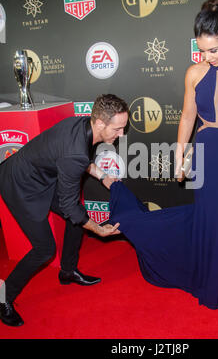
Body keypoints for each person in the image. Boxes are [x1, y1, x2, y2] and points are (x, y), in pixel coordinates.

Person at [107, 0, 218, 309]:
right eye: (201, 50)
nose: (207, 56)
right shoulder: (194, 73)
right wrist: (180, 157)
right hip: (205, 154)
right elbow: (187, 117)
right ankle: (207, 273)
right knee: (208, 221)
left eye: (213, 50)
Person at [0, 94, 128, 326]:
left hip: (40, 176)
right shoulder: (76, 151)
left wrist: (103, 176)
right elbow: (70, 201)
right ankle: (3, 298)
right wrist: (98, 230)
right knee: (44, 249)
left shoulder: (83, 126)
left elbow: (75, 160)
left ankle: (68, 271)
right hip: (20, 185)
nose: (121, 134)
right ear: (100, 123)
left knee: (77, 219)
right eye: (118, 129)